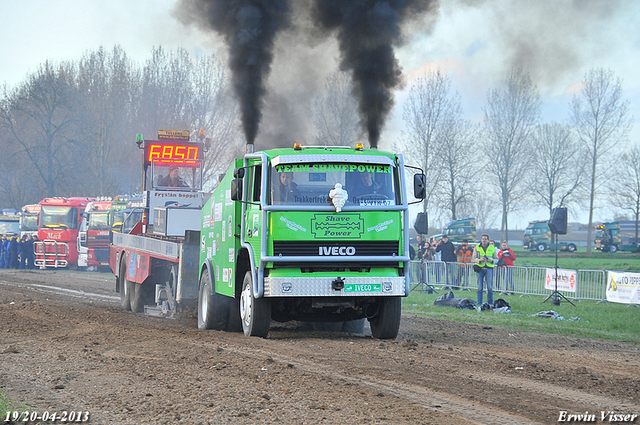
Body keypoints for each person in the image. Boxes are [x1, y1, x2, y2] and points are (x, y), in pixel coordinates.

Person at [472, 233, 496, 306]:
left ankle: (490, 303)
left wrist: (492, 261)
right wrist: (479, 260)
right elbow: (473, 258)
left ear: (488, 240)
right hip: (480, 269)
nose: (484, 240)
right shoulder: (477, 247)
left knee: (490, 287)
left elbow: (497, 258)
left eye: (485, 239)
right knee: (480, 287)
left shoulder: (492, 247)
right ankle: (479, 302)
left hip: (489, 269)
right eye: (482, 239)